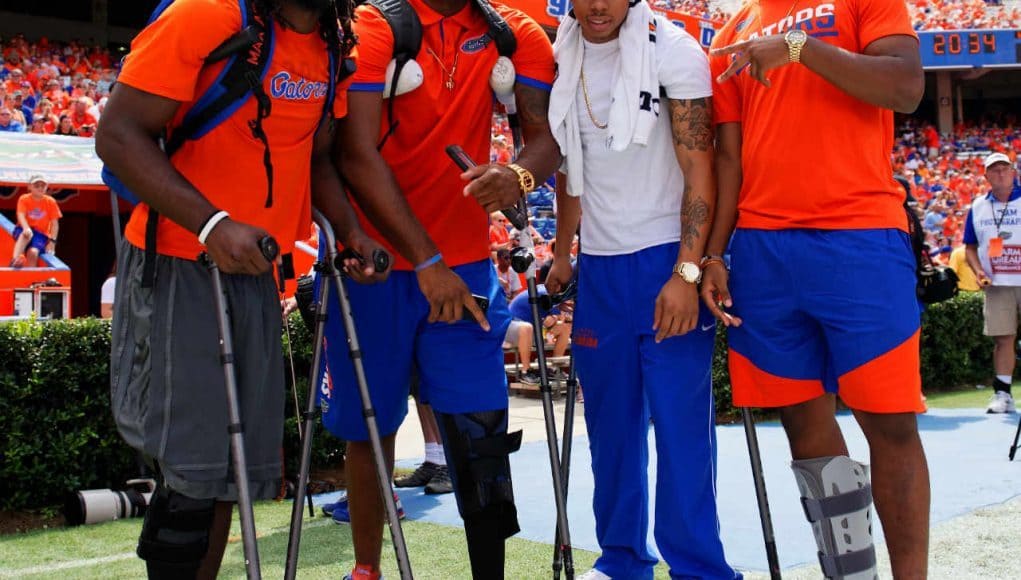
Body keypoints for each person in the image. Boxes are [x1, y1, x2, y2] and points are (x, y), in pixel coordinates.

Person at [94, 0, 383, 577]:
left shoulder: (335, 43)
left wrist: (349, 232)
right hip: (182, 261)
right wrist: (211, 226)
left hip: (257, 271)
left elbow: (317, 159)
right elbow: (118, 136)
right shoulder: (208, 14)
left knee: (233, 474)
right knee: (194, 472)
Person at [318, 0, 561, 576]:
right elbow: (353, 152)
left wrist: (517, 175)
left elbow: (546, 138)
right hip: (378, 268)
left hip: (469, 268)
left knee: (480, 434)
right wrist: (426, 259)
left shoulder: (513, 31)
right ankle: (366, 569)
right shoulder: (374, 25)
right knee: (369, 427)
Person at [705, 0, 929, 576]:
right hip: (761, 249)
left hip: (859, 236)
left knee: (890, 423)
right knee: (803, 424)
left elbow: (905, 87)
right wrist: (712, 253)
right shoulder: (732, 30)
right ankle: (851, 572)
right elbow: (729, 156)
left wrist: (802, 48)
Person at [545, 0, 737, 577]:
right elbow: (570, 169)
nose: (598, 6)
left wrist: (687, 270)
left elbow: (700, 166)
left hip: (665, 258)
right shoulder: (559, 53)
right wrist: (561, 253)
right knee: (611, 431)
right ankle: (623, 560)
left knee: (681, 432)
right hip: (601, 267)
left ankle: (700, 567)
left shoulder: (674, 50)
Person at [964, 152, 1021, 414]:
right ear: (986, 176)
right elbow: (971, 247)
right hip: (997, 283)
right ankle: (1002, 394)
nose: (1000, 173)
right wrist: (978, 271)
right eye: (994, 170)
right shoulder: (977, 206)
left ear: (1013, 172)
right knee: (1002, 339)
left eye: (1004, 168)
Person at [10, 174, 60, 268]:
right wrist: (26, 228)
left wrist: (52, 242)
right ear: (30, 187)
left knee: (33, 252)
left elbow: (55, 224)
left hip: (41, 234)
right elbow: (20, 215)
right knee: (27, 234)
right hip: (22, 229)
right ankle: (15, 260)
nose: (40, 188)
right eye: (36, 185)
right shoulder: (24, 198)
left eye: (43, 185)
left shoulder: (51, 202)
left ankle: (31, 279)